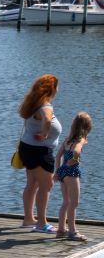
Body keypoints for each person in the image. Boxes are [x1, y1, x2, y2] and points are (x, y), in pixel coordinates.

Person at [17, 74, 63, 232]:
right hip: (39, 152)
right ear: (52, 88)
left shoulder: (33, 104)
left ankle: (29, 219)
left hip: (28, 148)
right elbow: (48, 121)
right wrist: (44, 134)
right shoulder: (45, 106)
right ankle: (42, 223)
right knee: (46, 185)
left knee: (32, 184)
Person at [55, 111, 92, 241]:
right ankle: (72, 231)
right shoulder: (80, 140)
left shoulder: (67, 140)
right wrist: (75, 160)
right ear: (86, 127)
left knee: (66, 201)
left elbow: (58, 155)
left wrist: (57, 170)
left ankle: (61, 229)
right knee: (74, 203)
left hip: (63, 172)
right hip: (71, 173)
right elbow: (76, 151)